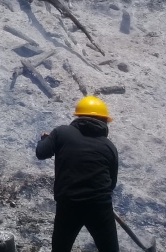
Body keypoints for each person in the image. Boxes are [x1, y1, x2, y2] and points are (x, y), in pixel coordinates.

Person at [36, 96, 119, 252]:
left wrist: (44, 140)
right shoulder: (109, 147)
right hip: (100, 207)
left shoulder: (61, 132)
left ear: (79, 116)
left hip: (69, 205)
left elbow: (41, 152)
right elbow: (112, 184)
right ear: (103, 121)